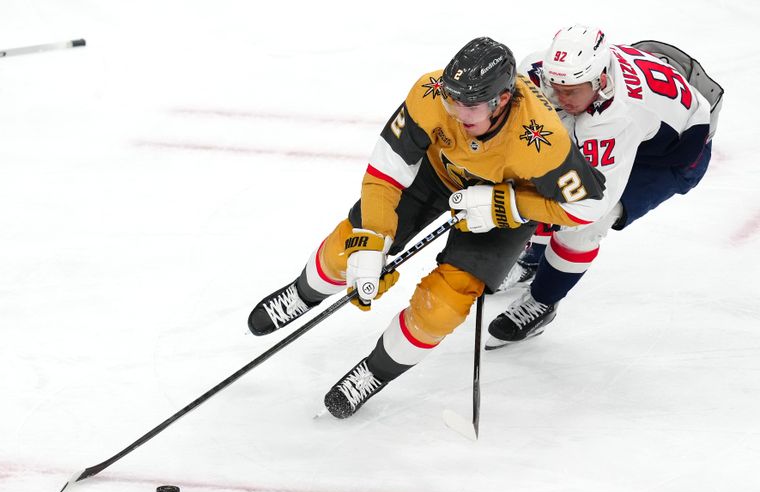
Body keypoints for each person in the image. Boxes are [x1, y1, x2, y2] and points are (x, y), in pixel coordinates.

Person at [247, 37, 610, 419]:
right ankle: (304, 293)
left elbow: (588, 208)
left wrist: (510, 205)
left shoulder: (542, 140)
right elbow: (385, 173)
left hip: (505, 202)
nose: (455, 113)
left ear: (501, 100)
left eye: (468, 106)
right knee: (346, 251)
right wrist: (372, 240)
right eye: (452, 100)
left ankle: (375, 371)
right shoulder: (430, 93)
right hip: (437, 176)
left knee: (443, 307)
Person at [486, 25, 724, 349]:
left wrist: (519, 210)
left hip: (674, 155)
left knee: (585, 223)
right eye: (557, 88)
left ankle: (544, 300)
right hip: (645, 119)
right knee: (542, 179)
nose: (561, 97)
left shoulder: (616, 117)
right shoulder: (538, 71)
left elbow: (590, 205)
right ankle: (532, 261)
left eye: (572, 91)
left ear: (600, 79)